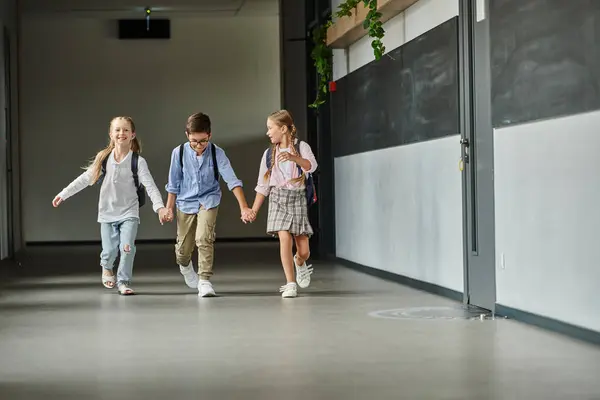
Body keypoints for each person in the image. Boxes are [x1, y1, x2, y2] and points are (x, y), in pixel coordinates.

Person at [52, 116, 170, 295]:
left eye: (125, 130)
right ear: (111, 134)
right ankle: (106, 266)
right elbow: (85, 179)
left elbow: (150, 186)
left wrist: (160, 207)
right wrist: (63, 194)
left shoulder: (137, 161)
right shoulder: (104, 159)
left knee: (127, 247)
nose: (121, 133)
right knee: (109, 250)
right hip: (107, 212)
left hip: (129, 211)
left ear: (132, 135)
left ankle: (123, 281)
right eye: (117, 130)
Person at [165, 112, 255, 297]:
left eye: (203, 141)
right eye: (194, 141)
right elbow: (173, 183)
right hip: (185, 201)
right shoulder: (179, 152)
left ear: (210, 135)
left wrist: (244, 207)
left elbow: (232, 180)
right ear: (187, 135)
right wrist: (169, 208)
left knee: (204, 237)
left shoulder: (217, 153)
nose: (198, 146)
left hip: (209, 199)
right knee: (183, 250)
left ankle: (204, 280)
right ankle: (185, 264)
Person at [248, 109, 318, 298]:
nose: (268, 132)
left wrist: (293, 157)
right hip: (278, 198)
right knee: (284, 239)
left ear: (284, 128)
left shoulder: (302, 147)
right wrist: (253, 210)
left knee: (304, 250)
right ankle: (290, 283)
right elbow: (263, 186)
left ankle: (300, 262)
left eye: (271, 128)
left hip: (297, 198)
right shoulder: (269, 154)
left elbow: (312, 166)